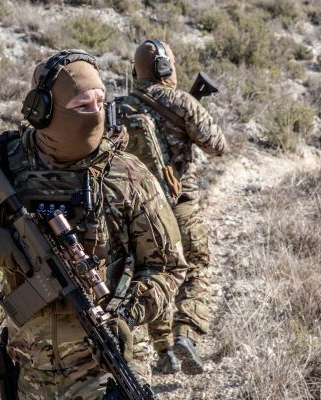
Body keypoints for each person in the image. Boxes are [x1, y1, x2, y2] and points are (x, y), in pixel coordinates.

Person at [0, 49, 187, 399]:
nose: (95, 112)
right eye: (82, 104)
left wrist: (128, 314)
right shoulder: (2, 168)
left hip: (107, 369)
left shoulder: (128, 175)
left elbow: (167, 266)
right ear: (42, 110)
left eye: (100, 101)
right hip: (31, 372)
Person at [124, 39, 227, 375]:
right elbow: (217, 145)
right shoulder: (181, 101)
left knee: (152, 274)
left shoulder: (119, 107)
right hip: (180, 205)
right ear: (165, 67)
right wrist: (189, 115)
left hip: (139, 213)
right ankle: (186, 332)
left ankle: (163, 349)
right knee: (196, 267)